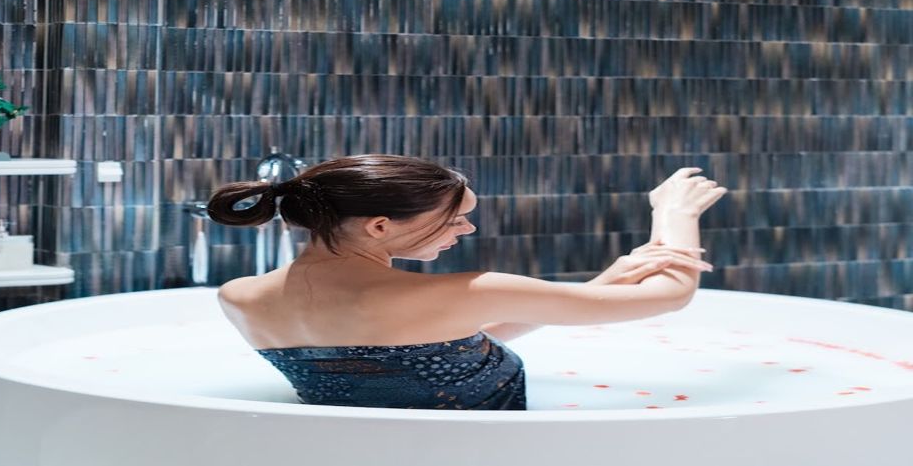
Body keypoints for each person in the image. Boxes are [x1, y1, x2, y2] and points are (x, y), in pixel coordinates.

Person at [207, 154, 727, 410]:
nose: (467, 230)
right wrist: (674, 214)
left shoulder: (240, 298)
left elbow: (418, 353)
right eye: (454, 219)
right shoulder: (474, 291)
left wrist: (603, 282)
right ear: (380, 226)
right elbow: (669, 296)